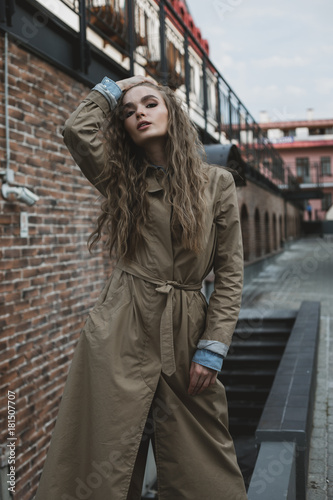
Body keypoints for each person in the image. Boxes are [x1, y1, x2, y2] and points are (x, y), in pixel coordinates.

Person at [35, 75, 247, 500]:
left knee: (204, 460)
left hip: (186, 328)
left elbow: (230, 273)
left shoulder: (216, 184)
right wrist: (126, 83)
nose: (140, 114)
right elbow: (77, 130)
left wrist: (213, 347)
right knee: (104, 450)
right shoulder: (119, 179)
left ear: (172, 112)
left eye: (150, 104)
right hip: (122, 324)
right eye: (129, 112)